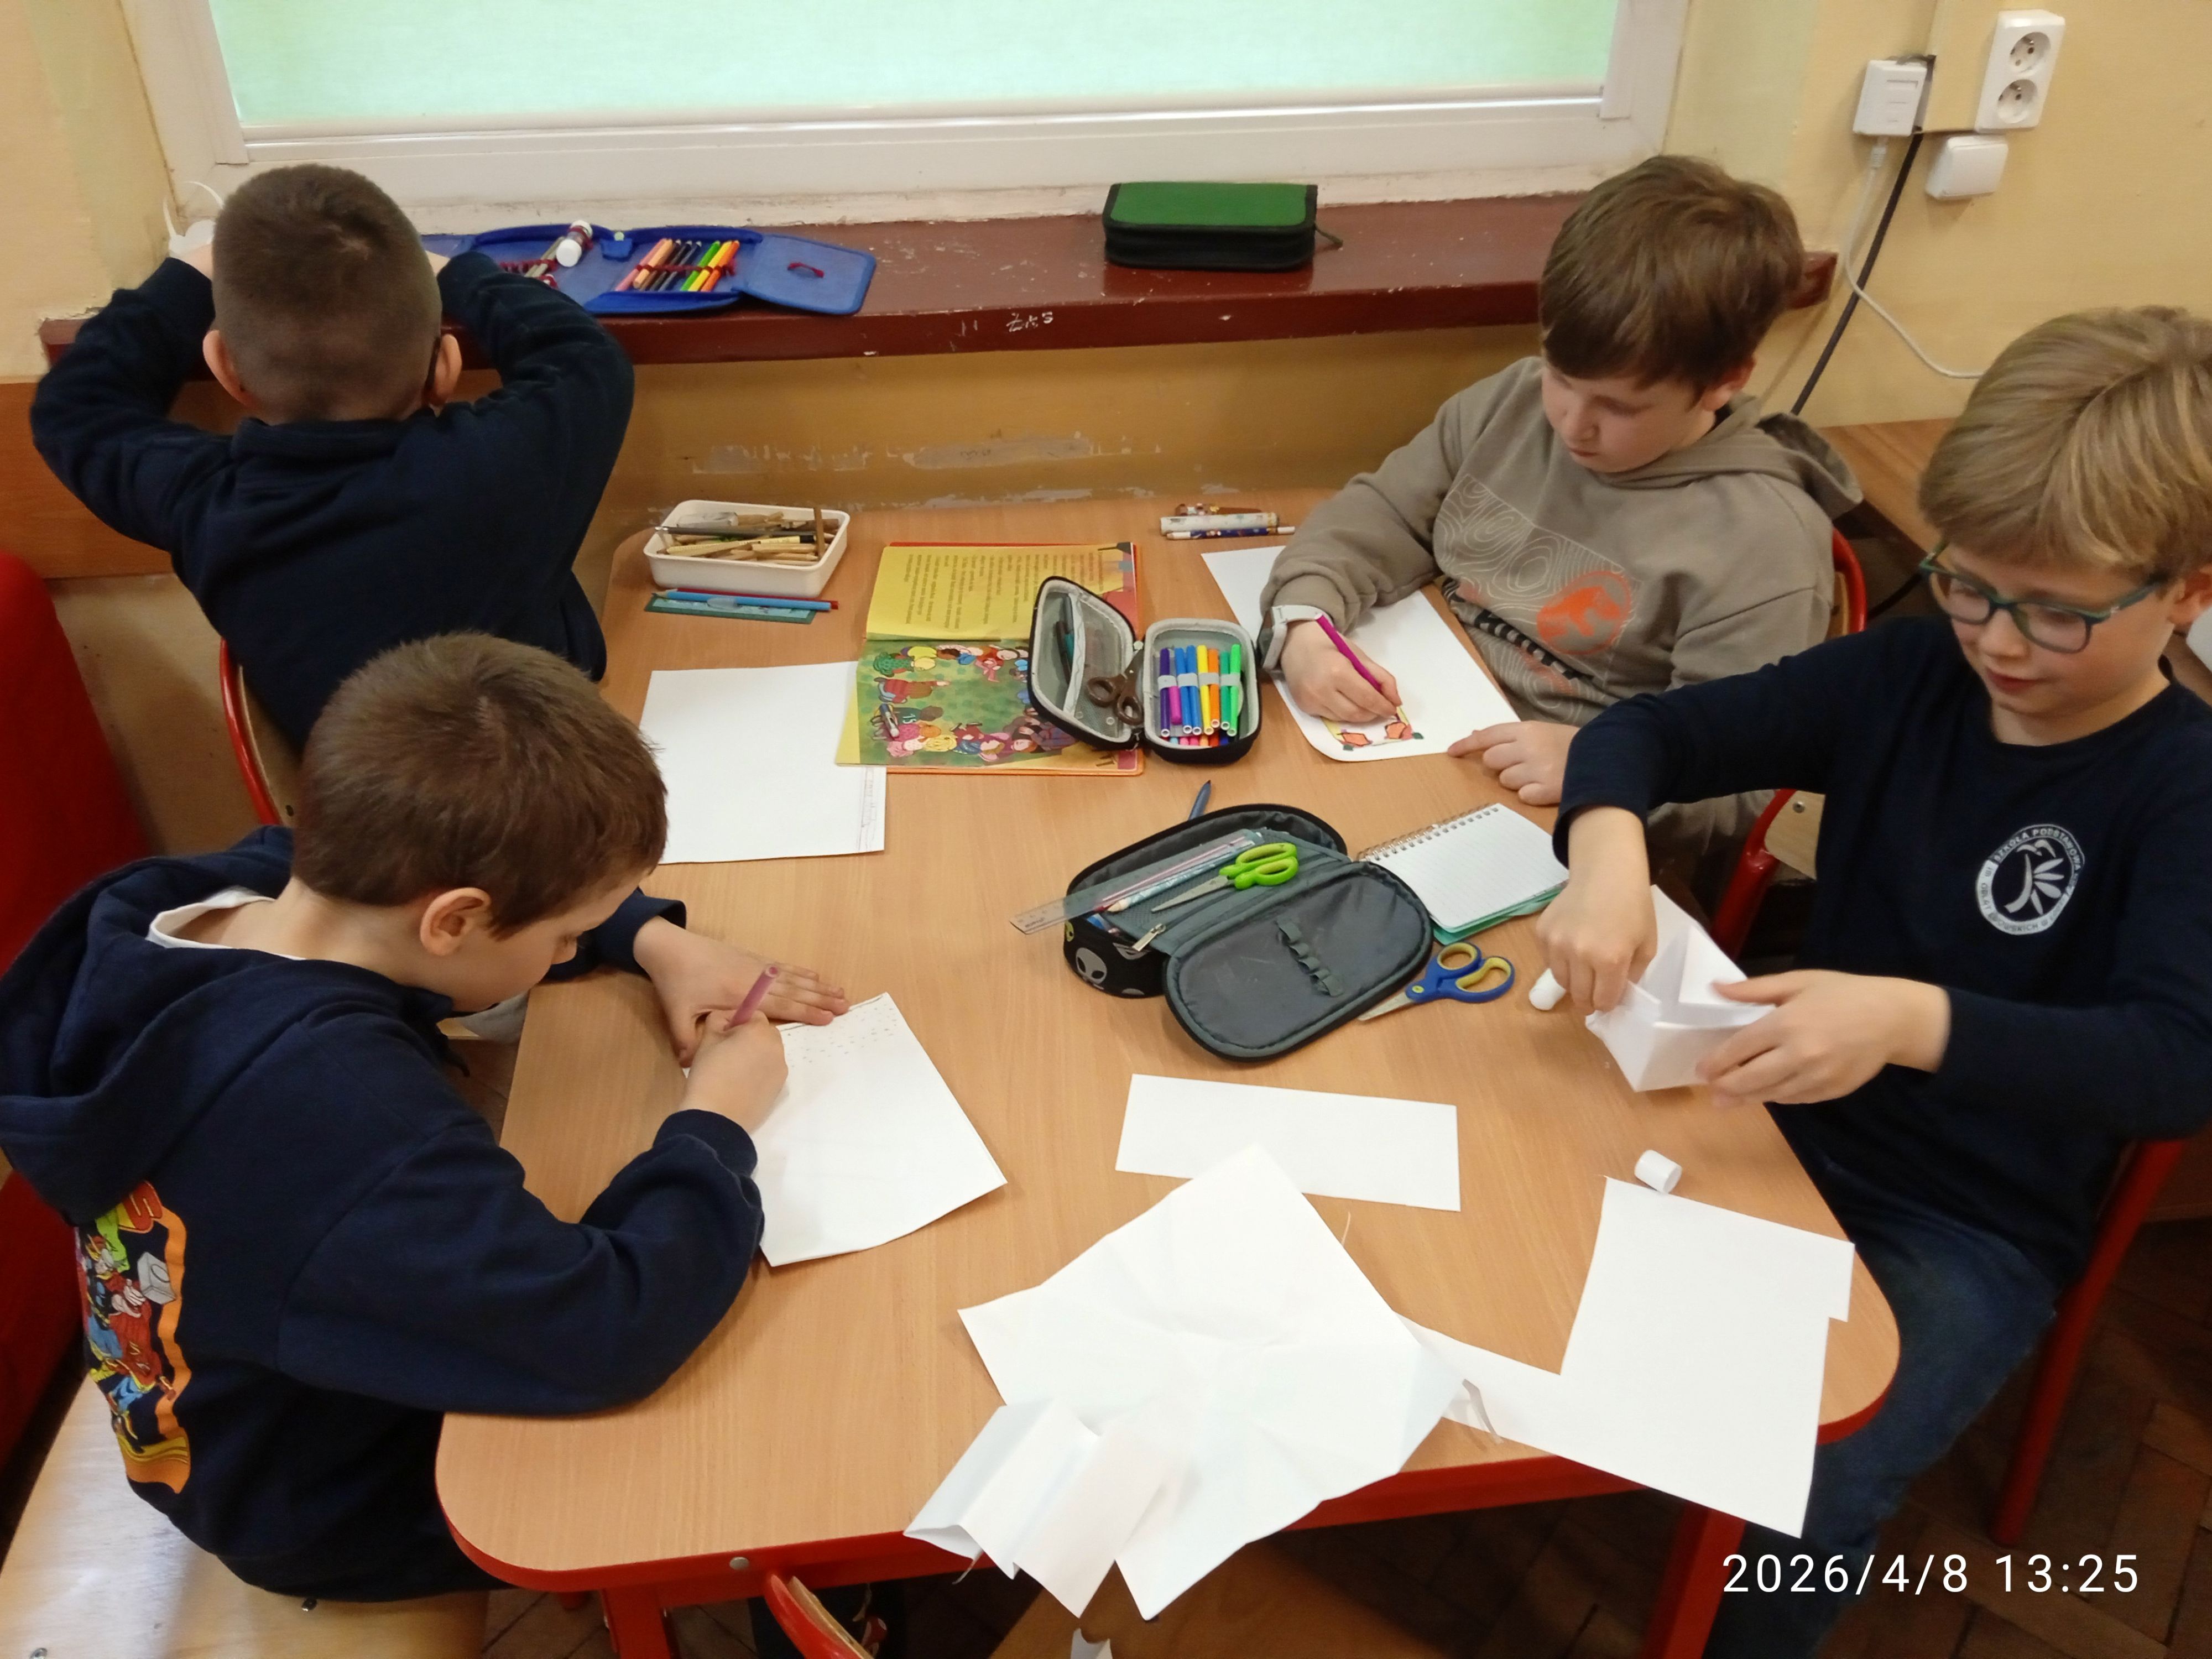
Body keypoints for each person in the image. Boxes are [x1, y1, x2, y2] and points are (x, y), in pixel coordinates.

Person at [1536, 307, 2212, 1655]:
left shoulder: (2180, 788)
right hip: (1768, 1116)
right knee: (1519, 1249)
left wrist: (1909, 1021)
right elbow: (1650, 733)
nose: (1998, 642)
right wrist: (1606, 853)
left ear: (2186, 593)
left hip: (1969, 1216)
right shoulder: (1913, 670)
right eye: (1969, 586)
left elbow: (2172, 1063)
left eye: (2056, 613)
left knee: (1818, 1475)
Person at [0, 634, 791, 1600]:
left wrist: (654, 941)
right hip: (328, 1497)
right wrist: (717, 1123)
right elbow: (604, 1328)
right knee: (753, 1454)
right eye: (566, 935)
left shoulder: (220, 900)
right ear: (453, 920)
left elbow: (435, 921)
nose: (569, 950)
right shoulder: (329, 1117)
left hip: (230, 1393)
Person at [30, 163, 846, 1027]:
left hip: (424, 887)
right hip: (528, 930)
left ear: (227, 368)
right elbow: (581, 355)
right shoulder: (501, 467)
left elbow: (76, 407)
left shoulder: (210, 504)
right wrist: (453, 271)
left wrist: (189, 274)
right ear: (447, 365)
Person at [1259, 154, 1859, 855]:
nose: (1573, 424)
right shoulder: (1511, 404)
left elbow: (1746, 788)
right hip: (1411, 739)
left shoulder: (1762, 543)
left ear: (1723, 382)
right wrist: (1305, 625)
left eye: (1619, 407)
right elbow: (1382, 515)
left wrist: (1604, 767)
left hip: (1560, 817)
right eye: (1561, 377)